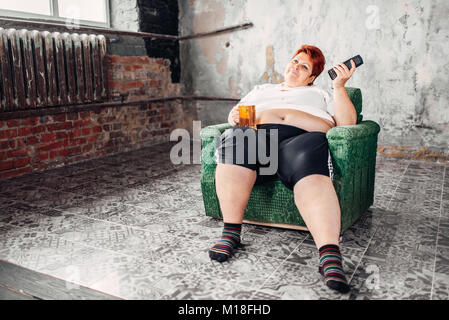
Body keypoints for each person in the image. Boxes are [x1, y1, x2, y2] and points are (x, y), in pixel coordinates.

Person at [209, 45, 358, 294]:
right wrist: (234, 117)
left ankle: (330, 254)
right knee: (236, 139)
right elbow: (235, 115)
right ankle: (231, 233)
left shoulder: (321, 93)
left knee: (311, 167)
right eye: (294, 61)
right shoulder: (261, 90)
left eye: (304, 66)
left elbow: (346, 123)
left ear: (312, 77)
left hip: (301, 139)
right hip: (256, 139)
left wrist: (339, 86)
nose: (295, 67)